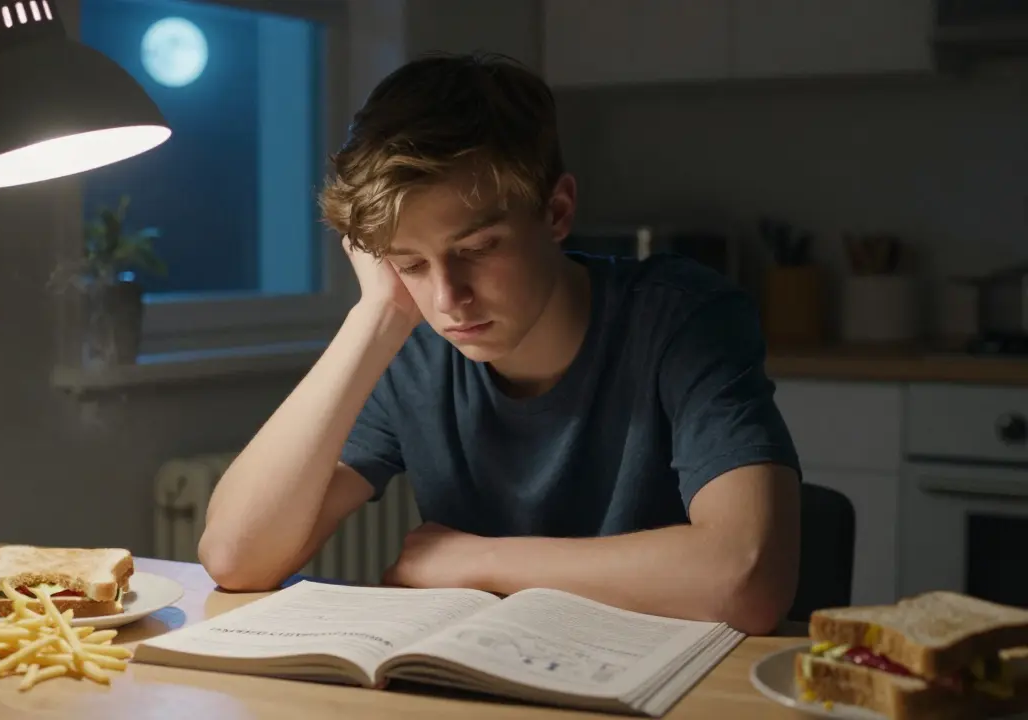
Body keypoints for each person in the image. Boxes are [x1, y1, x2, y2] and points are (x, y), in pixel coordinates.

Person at [197, 53, 802, 635]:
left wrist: (478, 561)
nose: (447, 299)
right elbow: (235, 557)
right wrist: (375, 312)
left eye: (478, 249)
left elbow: (747, 576)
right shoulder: (416, 344)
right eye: (409, 262)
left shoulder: (681, 318)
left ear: (557, 210)